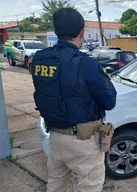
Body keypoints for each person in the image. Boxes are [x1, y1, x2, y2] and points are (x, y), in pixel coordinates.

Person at [30, 8, 117, 192]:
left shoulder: (39, 59)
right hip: (83, 142)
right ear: (82, 31)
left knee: (56, 186)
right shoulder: (87, 63)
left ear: (55, 31)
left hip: (55, 137)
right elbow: (110, 101)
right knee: (89, 187)